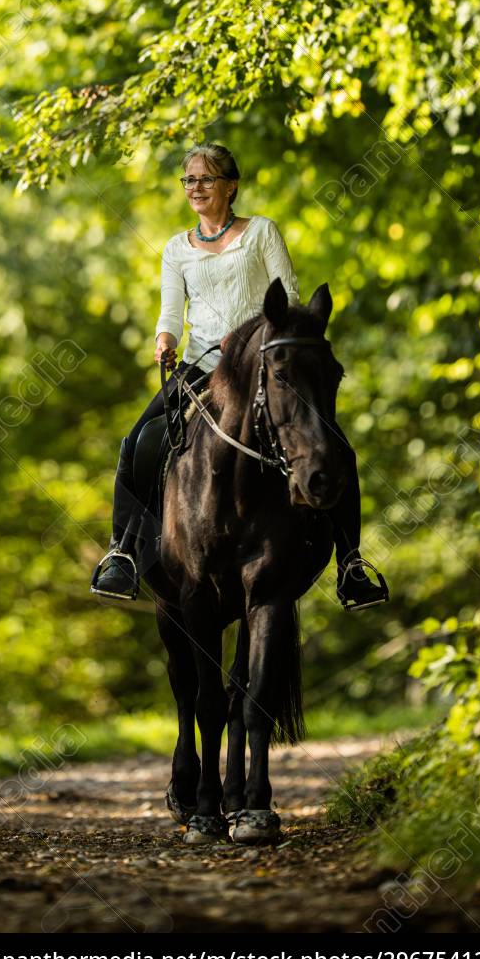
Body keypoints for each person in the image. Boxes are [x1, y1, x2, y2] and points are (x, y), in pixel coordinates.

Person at [90, 142, 389, 610]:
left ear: (231, 186)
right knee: (139, 441)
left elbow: (288, 298)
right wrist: (164, 339)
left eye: (206, 179)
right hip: (200, 366)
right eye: (189, 180)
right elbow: (171, 312)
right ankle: (123, 551)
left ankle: (351, 563)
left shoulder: (262, 232)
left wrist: (249, 338)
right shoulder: (176, 248)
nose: (195, 188)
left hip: (262, 366)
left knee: (336, 445)